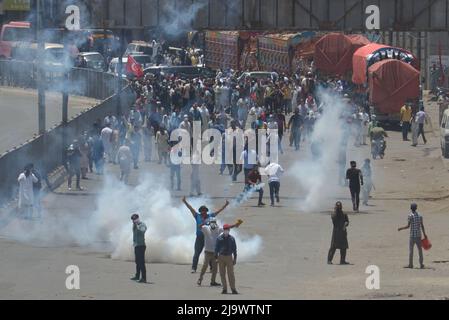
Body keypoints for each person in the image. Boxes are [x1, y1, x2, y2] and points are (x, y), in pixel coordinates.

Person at [182, 197, 230, 273]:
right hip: (199, 238)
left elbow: (219, 211)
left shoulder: (210, 216)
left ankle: (211, 268)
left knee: (210, 252)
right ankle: (194, 268)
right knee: (197, 253)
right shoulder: (197, 216)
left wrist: (225, 205)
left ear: (206, 211)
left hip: (208, 238)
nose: (203, 212)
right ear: (200, 211)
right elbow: (191, 209)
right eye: (202, 211)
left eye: (204, 211)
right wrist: (185, 202)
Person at [197, 218, 243, 287]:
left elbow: (227, 227)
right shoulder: (205, 228)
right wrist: (204, 222)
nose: (213, 224)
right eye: (211, 222)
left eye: (214, 222)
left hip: (215, 252)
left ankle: (213, 281)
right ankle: (200, 279)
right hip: (207, 251)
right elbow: (199, 226)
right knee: (205, 265)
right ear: (209, 223)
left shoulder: (218, 229)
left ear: (216, 223)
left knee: (215, 268)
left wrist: (236, 224)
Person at [398, 203, 428, 269]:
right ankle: (421, 264)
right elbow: (422, 226)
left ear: (411, 208)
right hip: (418, 236)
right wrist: (425, 234)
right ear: (416, 208)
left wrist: (401, 228)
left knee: (411, 251)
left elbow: (408, 226)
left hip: (412, 236)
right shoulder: (420, 215)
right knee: (420, 250)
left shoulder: (410, 215)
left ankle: (410, 265)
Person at [215, 224, 238, 294]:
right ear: (223, 230)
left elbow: (234, 249)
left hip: (229, 257)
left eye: (227, 230)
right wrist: (216, 258)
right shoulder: (219, 238)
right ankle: (224, 289)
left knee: (231, 274)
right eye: (225, 229)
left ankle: (233, 289)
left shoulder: (232, 239)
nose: (226, 231)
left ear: (229, 230)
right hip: (221, 257)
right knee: (222, 274)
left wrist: (235, 258)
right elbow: (216, 249)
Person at [130, 214, 148, 283]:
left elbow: (143, 230)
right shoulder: (134, 225)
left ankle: (144, 278)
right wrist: (135, 225)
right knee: (137, 262)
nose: (133, 221)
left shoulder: (142, 224)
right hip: (136, 246)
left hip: (141, 246)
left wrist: (137, 224)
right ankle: (137, 276)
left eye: (135, 219)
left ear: (138, 218)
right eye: (133, 219)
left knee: (141, 263)